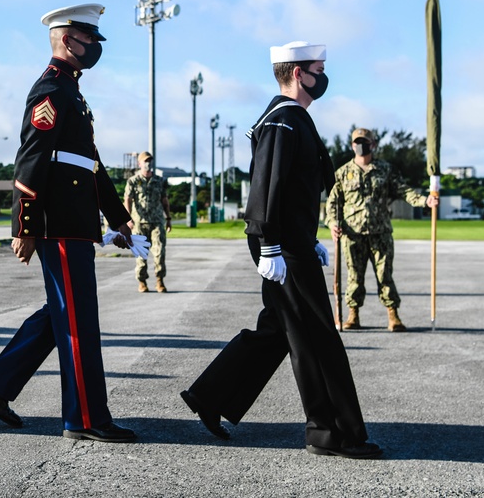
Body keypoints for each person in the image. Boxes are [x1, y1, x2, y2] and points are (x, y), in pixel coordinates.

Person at [179, 41, 382, 459]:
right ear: (296, 73)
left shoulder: (296, 119)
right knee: (317, 337)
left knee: (279, 329)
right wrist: (271, 245)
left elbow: (298, 190)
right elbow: (266, 189)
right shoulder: (282, 121)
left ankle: (210, 396)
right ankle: (332, 433)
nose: (323, 76)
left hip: (292, 243)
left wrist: (310, 238)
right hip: (281, 247)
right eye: (318, 69)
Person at [0, 3, 137, 443]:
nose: (95, 47)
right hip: (57, 226)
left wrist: (117, 217)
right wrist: (24, 227)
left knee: (64, 314)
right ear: (66, 39)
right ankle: (83, 419)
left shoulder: (73, 93)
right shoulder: (50, 91)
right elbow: (32, 162)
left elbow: (89, 164)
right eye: (89, 39)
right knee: (77, 321)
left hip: (75, 224)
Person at [326, 128, 439, 332]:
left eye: (365, 141)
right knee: (354, 277)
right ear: (352, 145)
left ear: (373, 144)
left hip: (381, 233)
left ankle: (393, 315)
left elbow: (403, 191)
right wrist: (333, 223)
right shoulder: (342, 173)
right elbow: (333, 203)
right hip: (353, 235)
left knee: (385, 275)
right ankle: (353, 315)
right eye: (357, 141)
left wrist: (425, 201)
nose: (361, 145)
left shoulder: (385, 169)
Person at [124, 151, 171, 292]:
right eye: (145, 161)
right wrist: (128, 219)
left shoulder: (159, 181)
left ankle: (159, 280)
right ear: (139, 163)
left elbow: (165, 200)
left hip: (157, 221)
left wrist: (168, 218)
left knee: (159, 251)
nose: (148, 163)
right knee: (140, 253)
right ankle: (142, 281)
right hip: (139, 222)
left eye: (150, 160)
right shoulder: (132, 181)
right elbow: (128, 199)